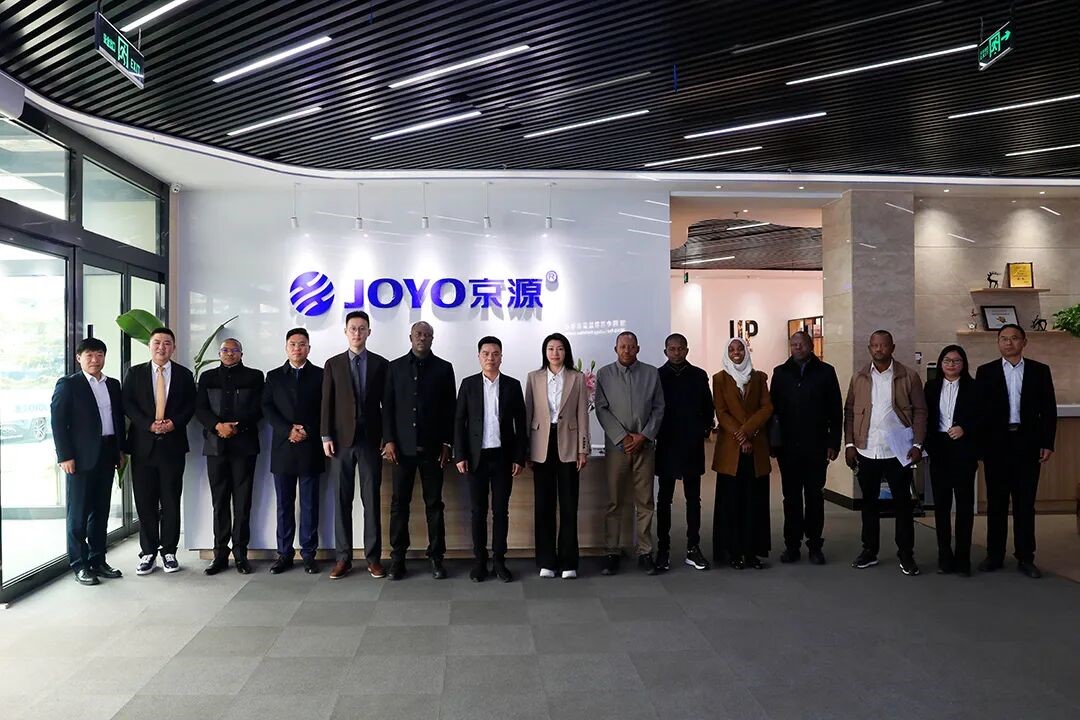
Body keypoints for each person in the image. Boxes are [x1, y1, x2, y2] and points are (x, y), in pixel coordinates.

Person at [975, 324, 1057, 579]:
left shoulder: (1039, 371)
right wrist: (981, 446)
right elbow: (979, 413)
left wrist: (1047, 443)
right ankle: (994, 554)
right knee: (996, 502)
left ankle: (1025, 557)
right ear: (998, 342)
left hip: (1027, 443)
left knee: (1025, 504)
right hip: (996, 445)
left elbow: (1049, 410)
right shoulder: (985, 371)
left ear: (1024, 342)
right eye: (1003, 339)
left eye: (1014, 338)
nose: (1008, 343)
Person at [844, 330, 927, 576]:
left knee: (903, 505)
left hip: (898, 451)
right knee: (869, 504)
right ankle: (869, 551)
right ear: (869, 348)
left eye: (883, 345)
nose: (879, 349)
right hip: (867, 449)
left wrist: (918, 445)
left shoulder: (908, 376)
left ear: (892, 347)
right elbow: (849, 412)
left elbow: (920, 411)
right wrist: (849, 444)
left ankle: (906, 554)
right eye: (874, 345)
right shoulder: (859, 377)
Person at [382, 321, 456, 581]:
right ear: (410, 337)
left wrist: (447, 443)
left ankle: (436, 557)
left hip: (433, 449)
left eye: (427, 335)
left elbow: (450, 410)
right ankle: (398, 559)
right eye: (418, 334)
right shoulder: (394, 368)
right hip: (401, 450)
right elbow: (387, 407)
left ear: (432, 339)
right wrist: (389, 440)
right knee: (399, 505)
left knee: (434, 505)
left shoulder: (444, 368)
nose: (422, 338)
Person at [50, 338, 126, 585]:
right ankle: (79, 565)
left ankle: (98, 560)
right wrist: (65, 456)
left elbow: (117, 419)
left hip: (108, 452)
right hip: (80, 458)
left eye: (99, 355)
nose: (95, 360)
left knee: (101, 512)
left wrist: (120, 450)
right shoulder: (69, 385)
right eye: (89, 355)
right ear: (79, 358)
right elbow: (58, 422)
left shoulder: (112, 384)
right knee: (78, 514)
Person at [122, 327, 196, 575]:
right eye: (157, 342)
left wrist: (174, 423)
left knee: (171, 500)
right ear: (149, 346)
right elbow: (128, 404)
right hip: (143, 446)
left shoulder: (184, 375)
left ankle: (169, 552)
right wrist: (148, 424)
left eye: (167, 343)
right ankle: (148, 552)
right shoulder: (135, 373)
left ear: (173, 347)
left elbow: (190, 405)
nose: (161, 347)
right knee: (145, 501)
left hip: (172, 446)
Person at [321, 311, 389, 580]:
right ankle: (343, 558)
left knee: (371, 500)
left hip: (371, 440)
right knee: (342, 500)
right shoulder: (333, 364)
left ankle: (373, 558)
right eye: (353, 328)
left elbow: (387, 405)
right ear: (346, 331)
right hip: (341, 442)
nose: (357, 333)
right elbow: (326, 403)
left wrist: (387, 437)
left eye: (362, 329)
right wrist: (326, 436)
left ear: (369, 332)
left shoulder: (381, 364)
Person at [454, 336, 527, 582]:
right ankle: (479, 561)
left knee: (501, 511)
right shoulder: (468, 384)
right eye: (486, 353)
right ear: (478, 357)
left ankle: (499, 560)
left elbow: (521, 424)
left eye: (495, 353)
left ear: (501, 357)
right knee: (477, 511)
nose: (490, 358)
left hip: (503, 457)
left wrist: (519, 456)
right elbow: (459, 421)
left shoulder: (512, 385)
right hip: (476, 458)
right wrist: (459, 454)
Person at [594, 330, 665, 576]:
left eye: (631, 346)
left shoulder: (651, 373)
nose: (627, 350)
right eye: (622, 346)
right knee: (615, 501)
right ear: (616, 349)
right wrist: (623, 437)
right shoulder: (604, 374)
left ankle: (645, 552)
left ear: (638, 349)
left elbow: (659, 408)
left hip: (644, 446)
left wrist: (644, 436)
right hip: (617, 448)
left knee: (645, 501)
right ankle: (612, 551)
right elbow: (601, 409)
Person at [770, 331, 843, 565]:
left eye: (801, 344)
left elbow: (836, 410)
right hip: (788, 448)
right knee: (790, 498)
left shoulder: (826, 372)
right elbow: (772, 411)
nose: (797, 347)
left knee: (814, 497)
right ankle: (792, 545)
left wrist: (834, 442)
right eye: (794, 344)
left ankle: (814, 545)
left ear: (811, 346)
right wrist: (773, 444)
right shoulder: (780, 373)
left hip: (817, 446)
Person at [196, 338, 264, 575]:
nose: (229, 353)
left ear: (241, 354)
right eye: (225, 350)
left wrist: (236, 427)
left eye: (234, 350)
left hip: (244, 446)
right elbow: (200, 408)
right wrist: (218, 426)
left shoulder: (255, 377)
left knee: (243, 502)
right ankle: (220, 554)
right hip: (215, 446)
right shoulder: (207, 377)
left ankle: (241, 554)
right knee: (219, 502)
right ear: (219, 353)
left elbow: (259, 408)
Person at [524, 333, 590, 579]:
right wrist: (526, 450)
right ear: (545, 352)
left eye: (560, 348)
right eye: (550, 348)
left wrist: (583, 449)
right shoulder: (534, 377)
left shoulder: (577, 378)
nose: (555, 353)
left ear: (566, 352)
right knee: (544, 505)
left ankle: (569, 562)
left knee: (569, 505)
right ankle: (546, 561)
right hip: (541, 445)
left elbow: (582, 415)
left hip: (569, 445)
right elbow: (528, 414)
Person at [262, 328, 325, 575]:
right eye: (293, 344)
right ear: (286, 348)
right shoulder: (274, 376)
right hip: (283, 447)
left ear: (309, 348)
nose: (297, 348)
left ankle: (309, 554)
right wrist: (288, 430)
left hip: (310, 446)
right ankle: (284, 554)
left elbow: (326, 408)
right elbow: (267, 408)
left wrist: (307, 429)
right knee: (284, 505)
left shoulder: (321, 375)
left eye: (302, 344)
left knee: (310, 505)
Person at [712, 337, 773, 570]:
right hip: (731, 451)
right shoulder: (719, 378)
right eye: (731, 349)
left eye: (739, 349)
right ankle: (733, 552)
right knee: (732, 503)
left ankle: (752, 552)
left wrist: (747, 431)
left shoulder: (759, 377)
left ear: (746, 352)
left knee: (755, 502)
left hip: (756, 448)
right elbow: (721, 411)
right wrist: (740, 436)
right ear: (726, 353)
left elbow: (767, 407)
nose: (736, 352)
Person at [654, 333, 714, 572]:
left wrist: (702, 430)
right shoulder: (657, 376)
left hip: (691, 445)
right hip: (666, 445)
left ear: (687, 350)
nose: (676, 353)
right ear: (665, 351)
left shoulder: (698, 375)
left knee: (693, 500)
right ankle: (663, 549)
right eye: (672, 349)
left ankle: (693, 547)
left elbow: (708, 408)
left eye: (680, 349)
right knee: (664, 500)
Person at [924, 344, 979, 576]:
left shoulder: (974, 387)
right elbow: (925, 417)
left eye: (956, 361)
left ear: (963, 364)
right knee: (942, 507)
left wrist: (965, 428)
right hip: (939, 450)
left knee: (964, 506)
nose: (951, 365)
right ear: (940, 363)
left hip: (964, 450)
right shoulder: (931, 387)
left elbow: (983, 417)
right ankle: (944, 557)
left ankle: (963, 559)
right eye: (947, 360)